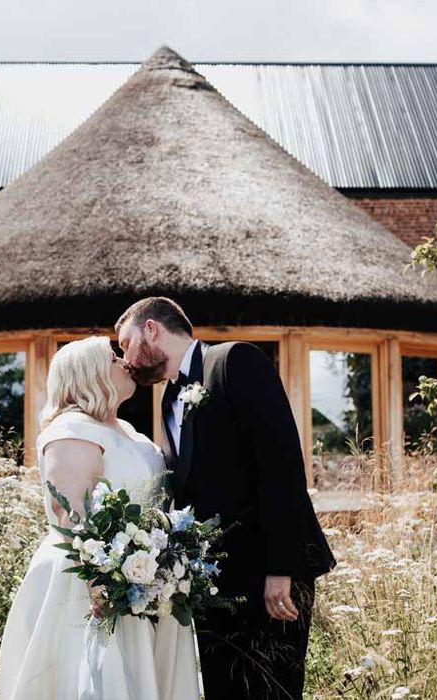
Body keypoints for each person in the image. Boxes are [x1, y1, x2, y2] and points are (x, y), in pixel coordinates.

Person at [116, 296, 336, 700]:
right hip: (214, 581)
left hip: (270, 575)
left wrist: (280, 568)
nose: (125, 358)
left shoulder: (235, 361)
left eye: (125, 343)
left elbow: (281, 464)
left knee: (274, 690)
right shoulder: (168, 398)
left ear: (151, 329)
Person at [0, 336, 199, 700]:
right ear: (88, 373)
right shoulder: (71, 430)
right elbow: (69, 511)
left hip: (146, 581)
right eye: (113, 357)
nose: (125, 362)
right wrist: (102, 582)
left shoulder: (128, 431)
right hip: (94, 582)